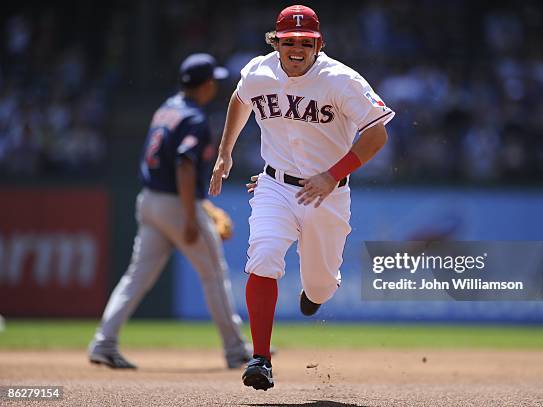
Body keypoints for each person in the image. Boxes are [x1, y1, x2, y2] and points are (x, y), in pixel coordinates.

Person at [209, 5, 394, 390]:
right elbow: (240, 99)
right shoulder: (259, 71)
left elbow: (377, 135)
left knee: (322, 284)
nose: (296, 48)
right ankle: (260, 358)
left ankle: (314, 294)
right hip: (273, 185)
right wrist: (225, 152)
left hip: (327, 192)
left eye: (305, 42)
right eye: (288, 41)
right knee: (263, 254)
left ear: (319, 44)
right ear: (275, 42)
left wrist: (332, 175)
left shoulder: (342, 80)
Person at [89, 53, 251, 370]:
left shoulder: (166, 109)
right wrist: (192, 216)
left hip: (149, 201)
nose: (215, 86)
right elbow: (185, 163)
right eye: (213, 81)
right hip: (177, 205)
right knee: (214, 274)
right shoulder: (195, 118)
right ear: (204, 85)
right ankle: (236, 350)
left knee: (135, 277)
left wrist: (199, 206)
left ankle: (103, 342)